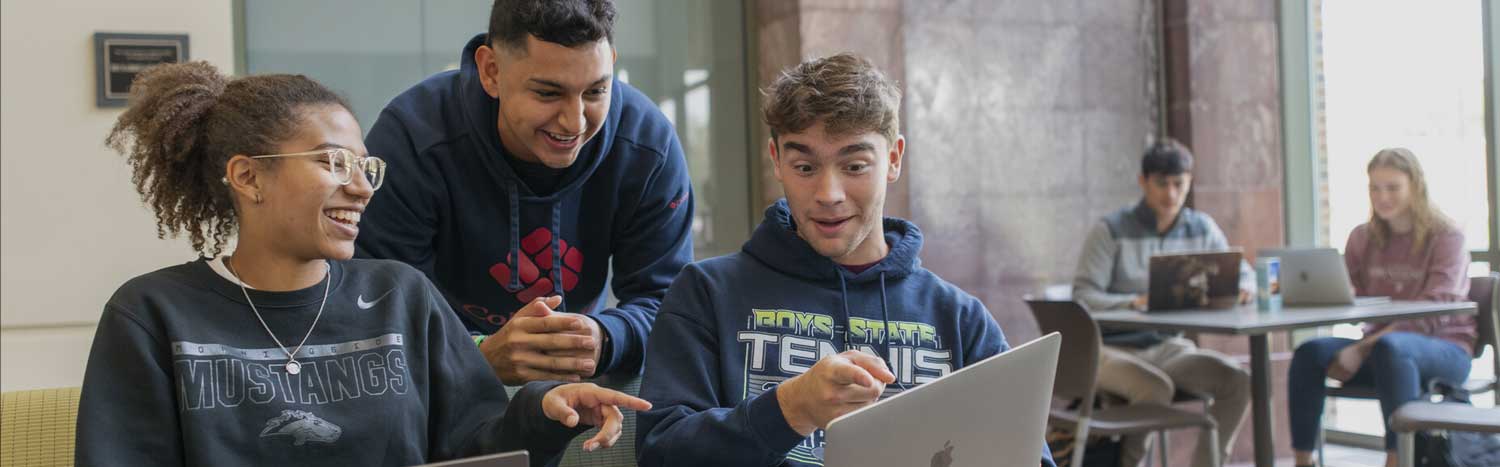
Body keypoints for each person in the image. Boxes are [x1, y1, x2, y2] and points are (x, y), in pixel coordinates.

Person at [76, 61, 650, 467]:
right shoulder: (152, 315)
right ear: (248, 176)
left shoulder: (403, 296)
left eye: (367, 168)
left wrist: (542, 412)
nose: (361, 188)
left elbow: (473, 448)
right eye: (334, 163)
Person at [634, 54, 1054, 467]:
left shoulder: (960, 319)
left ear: (893, 159)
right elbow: (660, 451)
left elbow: (1026, 453)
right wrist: (790, 410)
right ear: (776, 160)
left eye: (854, 165)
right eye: (804, 166)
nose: (829, 193)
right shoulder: (706, 293)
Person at [356, 0, 693, 385]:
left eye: (596, 91)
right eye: (549, 93)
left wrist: (604, 337)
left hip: (577, 381)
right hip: (435, 383)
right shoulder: (413, 139)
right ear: (492, 71)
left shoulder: (647, 145)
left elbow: (673, 308)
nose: (575, 122)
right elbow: (377, 310)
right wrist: (478, 353)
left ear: (612, 62)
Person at [1070, 139, 1253, 467]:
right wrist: (1133, 303)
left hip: (1170, 348)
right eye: (1161, 184)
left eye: (1178, 184)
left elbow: (1244, 275)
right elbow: (1083, 297)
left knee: (1236, 381)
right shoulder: (1111, 230)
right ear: (1143, 182)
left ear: (1189, 182)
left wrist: (1245, 289)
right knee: (1154, 388)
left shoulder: (1203, 228)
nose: (1171, 194)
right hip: (1110, 351)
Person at [1287, 148, 1474, 467]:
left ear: (1415, 185)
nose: (1382, 196)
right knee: (1309, 353)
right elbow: (1349, 299)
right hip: (1384, 351)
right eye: (1374, 187)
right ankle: (1303, 461)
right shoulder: (1362, 238)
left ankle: (1397, 460)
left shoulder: (1447, 237)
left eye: (1392, 187)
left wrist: (1360, 350)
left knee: (1391, 348)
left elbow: (1432, 315)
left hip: (1447, 350)